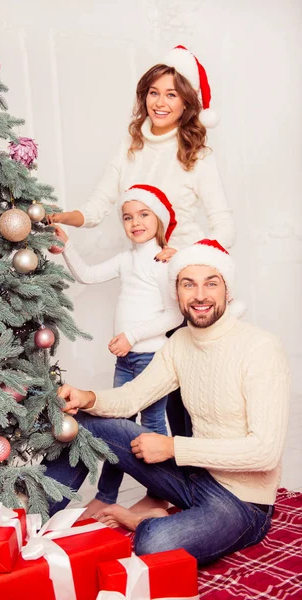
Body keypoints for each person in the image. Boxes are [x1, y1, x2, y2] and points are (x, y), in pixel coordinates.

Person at [42, 239, 289, 564]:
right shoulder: (181, 343)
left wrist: (173, 448)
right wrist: (87, 398)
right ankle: (35, 518)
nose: (200, 295)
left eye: (210, 283)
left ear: (227, 290)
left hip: (241, 502)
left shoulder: (260, 348)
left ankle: (143, 519)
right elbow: (133, 397)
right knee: (82, 426)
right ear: (177, 293)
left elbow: (264, 452)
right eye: (189, 284)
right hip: (193, 476)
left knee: (155, 543)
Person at [54, 184, 184, 518]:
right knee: (115, 425)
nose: (135, 222)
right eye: (128, 217)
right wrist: (67, 245)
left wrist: (131, 335)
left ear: (159, 218)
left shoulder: (164, 260)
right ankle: (107, 495)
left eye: (143, 215)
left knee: (152, 426)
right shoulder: (127, 259)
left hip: (152, 357)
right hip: (125, 359)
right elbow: (86, 275)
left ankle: (159, 494)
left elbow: (174, 314)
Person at [49, 45, 235, 258]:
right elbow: (97, 206)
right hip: (142, 268)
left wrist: (184, 255)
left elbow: (224, 226)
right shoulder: (130, 145)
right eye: (153, 93)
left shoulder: (198, 156)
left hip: (185, 273)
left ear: (186, 103)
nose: (159, 103)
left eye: (171, 95)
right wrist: (63, 217)